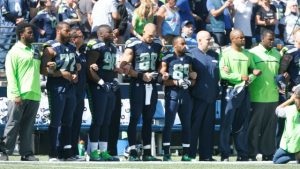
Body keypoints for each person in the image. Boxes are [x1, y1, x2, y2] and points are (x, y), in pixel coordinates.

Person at [120, 23, 162, 161]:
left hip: (152, 85)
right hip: (138, 83)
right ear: (143, 31)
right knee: (135, 116)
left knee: (148, 119)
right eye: (150, 35)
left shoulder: (157, 45)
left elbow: (161, 64)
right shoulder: (133, 43)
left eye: (154, 35)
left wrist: (159, 73)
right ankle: (132, 150)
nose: (152, 38)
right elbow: (124, 66)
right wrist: (140, 75)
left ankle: (147, 152)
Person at [0, 23, 41, 161]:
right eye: (29, 32)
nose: (32, 34)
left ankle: (26, 153)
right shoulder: (14, 52)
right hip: (19, 95)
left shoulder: (34, 50)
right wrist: (16, 94)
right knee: (12, 124)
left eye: (32, 32)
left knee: (28, 127)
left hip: (34, 94)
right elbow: (10, 75)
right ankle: (4, 152)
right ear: (21, 34)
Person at [219, 29, 261, 161]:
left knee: (242, 124)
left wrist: (249, 78)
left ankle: (242, 154)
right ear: (233, 39)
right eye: (240, 37)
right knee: (226, 124)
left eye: (243, 37)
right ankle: (225, 154)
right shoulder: (225, 54)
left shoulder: (248, 54)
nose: (243, 39)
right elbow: (223, 74)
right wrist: (240, 77)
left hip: (244, 91)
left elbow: (254, 73)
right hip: (230, 91)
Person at [42, 22, 79, 161]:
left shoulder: (71, 47)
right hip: (56, 87)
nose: (70, 33)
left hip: (70, 87)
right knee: (55, 121)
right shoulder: (50, 47)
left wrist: (75, 74)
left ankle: (66, 152)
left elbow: (74, 66)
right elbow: (43, 70)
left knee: (68, 121)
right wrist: (60, 73)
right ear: (58, 31)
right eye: (67, 30)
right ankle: (53, 153)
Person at [86, 24, 120, 161]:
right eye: (109, 32)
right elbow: (89, 69)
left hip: (108, 87)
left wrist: (114, 80)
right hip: (98, 88)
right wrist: (101, 82)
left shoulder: (112, 47)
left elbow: (111, 69)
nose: (113, 34)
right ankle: (93, 152)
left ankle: (103, 151)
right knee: (98, 120)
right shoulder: (96, 46)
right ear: (100, 34)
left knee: (107, 121)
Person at [160, 37, 196, 161]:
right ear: (175, 45)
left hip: (185, 95)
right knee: (169, 124)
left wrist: (191, 82)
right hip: (172, 94)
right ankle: (166, 153)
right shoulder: (168, 58)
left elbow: (193, 77)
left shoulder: (189, 58)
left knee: (187, 124)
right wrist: (175, 82)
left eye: (185, 43)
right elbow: (162, 79)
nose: (184, 45)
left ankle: (185, 154)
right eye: (182, 43)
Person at [248, 30, 281, 161]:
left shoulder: (277, 54)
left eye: (273, 39)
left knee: (270, 127)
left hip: (273, 96)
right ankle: (251, 153)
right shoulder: (252, 53)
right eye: (269, 39)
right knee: (254, 126)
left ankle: (268, 152)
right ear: (262, 38)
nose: (272, 42)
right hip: (256, 95)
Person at [189, 31, 219, 161]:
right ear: (199, 40)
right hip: (196, 97)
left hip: (211, 97)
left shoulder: (215, 55)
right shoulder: (192, 55)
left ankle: (206, 155)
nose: (210, 41)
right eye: (208, 39)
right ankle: (190, 154)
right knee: (194, 127)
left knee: (208, 128)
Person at [69, 28, 87, 160]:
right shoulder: (68, 51)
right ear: (74, 39)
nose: (83, 38)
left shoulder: (85, 52)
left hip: (81, 92)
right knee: (67, 122)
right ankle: (63, 149)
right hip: (69, 91)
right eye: (80, 36)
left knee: (77, 123)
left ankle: (74, 151)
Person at [273, 85, 300, 164]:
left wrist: (290, 100)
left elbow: (277, 110)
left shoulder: (289, 110)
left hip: (289, 145)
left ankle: (292, 156)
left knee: (276, 160)